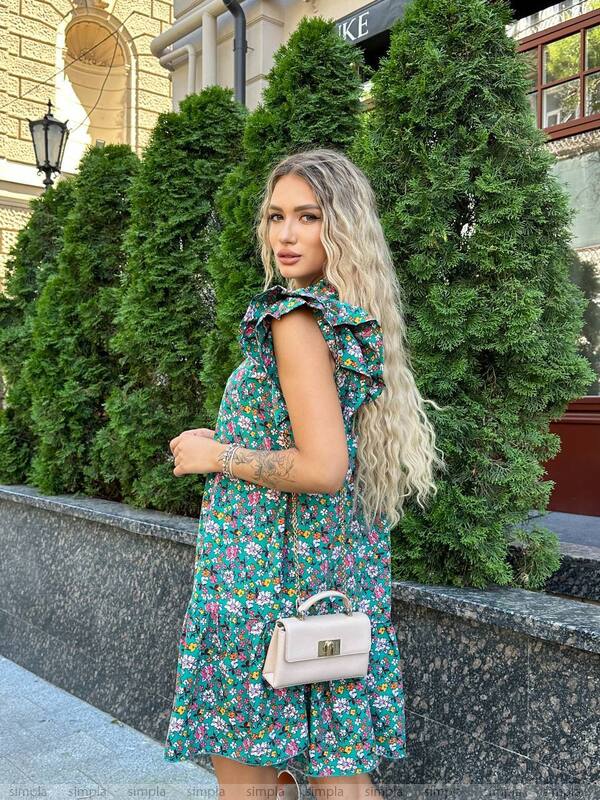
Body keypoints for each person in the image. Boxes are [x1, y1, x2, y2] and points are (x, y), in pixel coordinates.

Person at [163, 148, 445, 800]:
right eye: (276, 216)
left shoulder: (293, 318)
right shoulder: (343, 316)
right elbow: (310, 436)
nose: (286, 234)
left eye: (308, 217)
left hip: (261, 581)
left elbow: (322, 466)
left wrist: (215, 456)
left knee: (253, 783)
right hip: (323, 572)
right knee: (333, 773)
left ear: (339, 227)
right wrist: (228, 437)